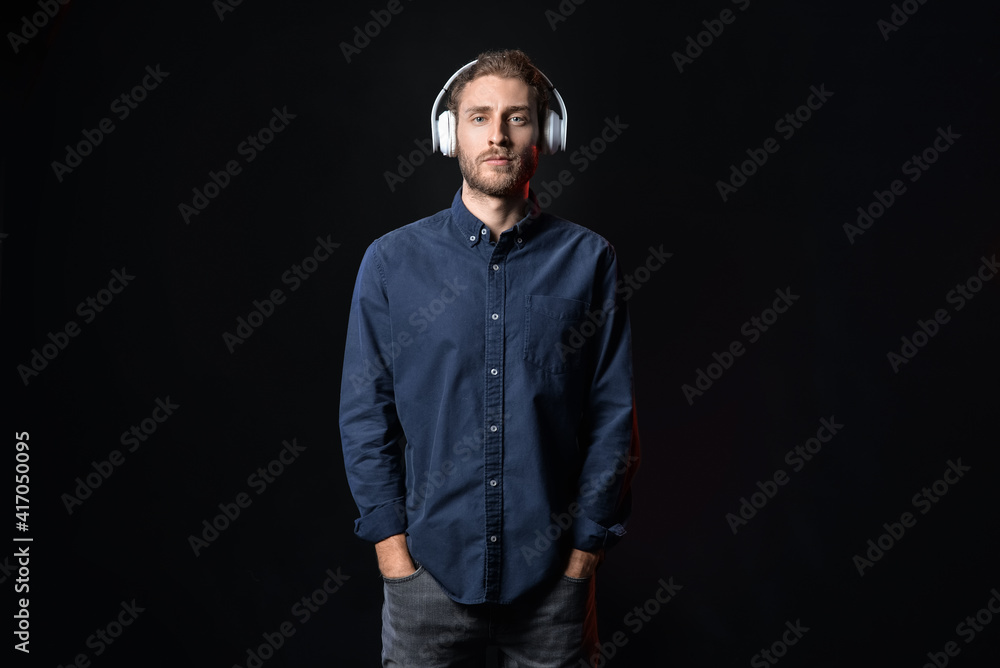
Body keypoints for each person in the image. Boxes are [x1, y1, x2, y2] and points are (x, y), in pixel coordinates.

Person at [339, 49, 639, 667]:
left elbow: (613, 418)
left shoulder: (590, 261)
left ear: (545, 134)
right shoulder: (391, 263)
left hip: (554, 588)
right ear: (450, 134)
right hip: (426, 583)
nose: (498, 135)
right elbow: (365, 415)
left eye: (517, 117)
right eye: (479, 117)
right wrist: (394, 557)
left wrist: (584, 557)